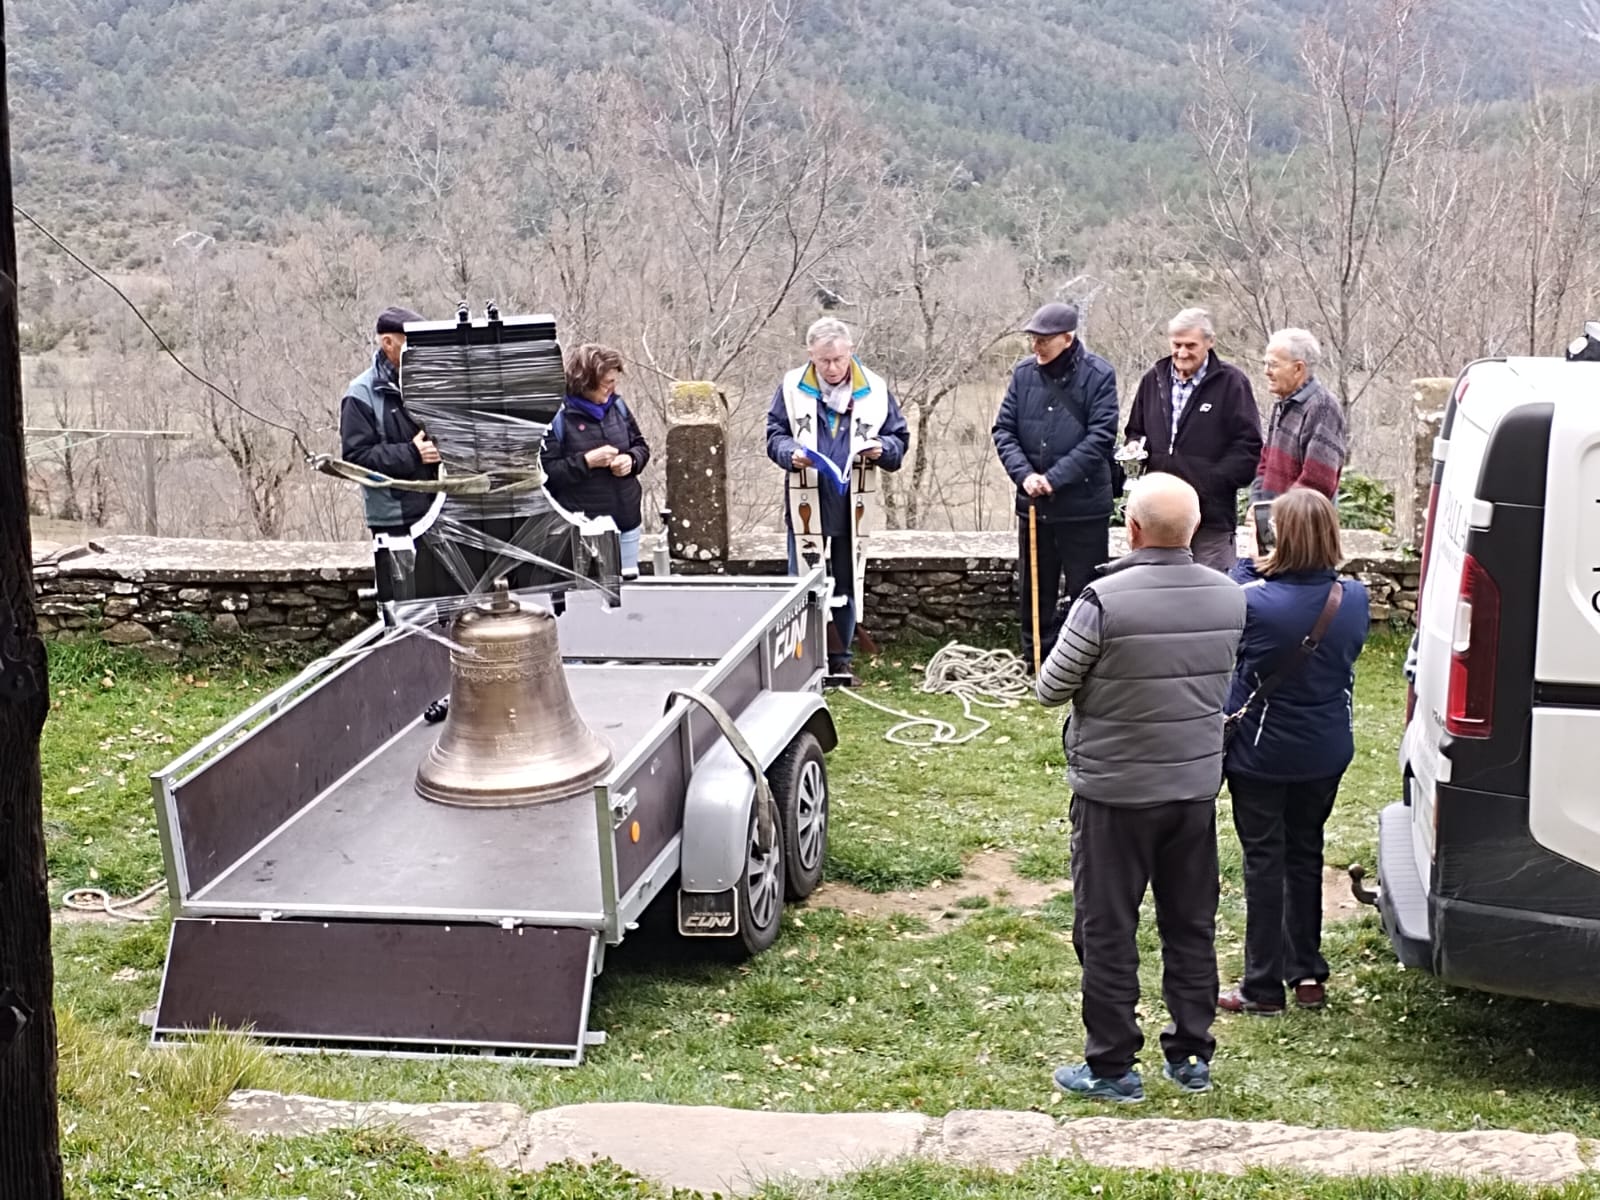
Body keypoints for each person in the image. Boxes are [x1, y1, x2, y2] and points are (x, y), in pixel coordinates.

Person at [1036, 472, 1246, 1103]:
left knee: (1107, 928)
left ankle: (1111, 1067)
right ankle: (1191, 1056)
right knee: (1190, 925)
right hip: (1192, 790)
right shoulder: (1230, 599)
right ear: (1193, 529)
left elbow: (1051, 688)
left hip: (1113, 793)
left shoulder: (1102, 601)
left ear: (1130, 529)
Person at [1219, 489, 1369, 1015]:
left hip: (1262, 752)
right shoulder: (1353, 598)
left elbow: (1233, 621)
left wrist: (1244, 556)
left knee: (1265, 860)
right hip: (1325, 747)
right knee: (1305, 852)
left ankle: (1261, 987)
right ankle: (1306, 975)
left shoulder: (1253, 600)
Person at [765, 317, 908, 684]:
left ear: (851, 353)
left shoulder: (874, 389)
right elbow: (774, 435)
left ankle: (841, 659)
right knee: (806, 584)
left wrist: (882, 449)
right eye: (823, 361)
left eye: (839, 360)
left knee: (846, 584)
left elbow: (898, 439)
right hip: (807, 503)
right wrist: (788, 453)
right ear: (810, 355)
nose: (832, 368)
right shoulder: (792, 387)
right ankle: (803, 659)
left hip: (852, 505)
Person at [992, 302, 1119, 668]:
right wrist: (1026, 476)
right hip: (1033, 505)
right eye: (1033, 339)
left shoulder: (1099, 375)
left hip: (1084, 508)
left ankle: (1082, 661)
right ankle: (1036, 656)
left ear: (1068, 338)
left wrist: (1054, 479)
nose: (1036, 347)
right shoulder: (1023, 375)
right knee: (1035, 586)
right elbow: (1004, 431)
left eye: (1043, 340)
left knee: (1086, 588)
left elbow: (1100, 438)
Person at [1124, 308, 1262, 572]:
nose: (1182, 353)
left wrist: (1208, 483)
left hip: (1210, 520)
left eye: (1191, 345)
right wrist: (1134, 449)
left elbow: (1249, 448)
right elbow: (1136, 431)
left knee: (1209, 601)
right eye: (1176, 344)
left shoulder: (1232, 383)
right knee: (1159, 602)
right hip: (1158, 525)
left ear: (1210, 343)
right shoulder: (1153, 379)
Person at [338, 305, 440, 609]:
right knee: (403, 608)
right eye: (411, 342)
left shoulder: (427, 385)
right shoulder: (361, 394)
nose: (419, 351)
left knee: (440, 605)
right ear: (388, 343)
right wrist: (412, 453)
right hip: (394, 518)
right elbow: (355, 458)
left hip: (438, 511)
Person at [541, 343, 652, 579]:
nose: (612, 388)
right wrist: (586, 462)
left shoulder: (618, 407)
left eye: (614, 381)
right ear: (586, 383)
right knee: (590, 600)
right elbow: (547, 474)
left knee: (629, 597)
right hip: (584, 530)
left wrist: (631, 460)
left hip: (626, 522)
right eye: (606, 383)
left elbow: (641, 446)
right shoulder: (558, 417)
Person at [1252, 328, 1346, 502]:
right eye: (1264, 363)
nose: (1266, 371)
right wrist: (1256, 507)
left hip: (1304, 526)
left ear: (1298, 368)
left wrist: (1275, 512)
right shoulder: (1283, 403)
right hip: (1275, 522)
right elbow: (1265, 463)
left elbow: (1318, 483)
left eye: (1273, 364)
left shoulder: (1323, 407)